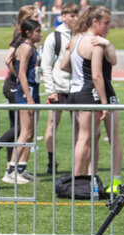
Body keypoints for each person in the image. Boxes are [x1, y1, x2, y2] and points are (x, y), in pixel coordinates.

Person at [63, 5, 122, 195]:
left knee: (88, 138)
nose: (108, 27)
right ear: (94, 21)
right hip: (92, 92)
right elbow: (97, 76)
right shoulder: (95, 43)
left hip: (75, 91)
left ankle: (88, 178)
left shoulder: (76, 39)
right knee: (93, 138)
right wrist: (104, 102)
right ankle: (82, 181)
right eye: (106, 23)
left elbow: (64, 66)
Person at [0, 6, 37, 185]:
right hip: (14, 86)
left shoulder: (29, 39)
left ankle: (17, 167)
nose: (38, 18)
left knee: (23, 128)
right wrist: (18, 75)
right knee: (21, 128)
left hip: (21, 85)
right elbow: (8, 59)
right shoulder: (20, 38)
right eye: (35, 16)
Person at [41, 1, 79, 175]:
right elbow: (46, 65)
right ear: (63, 16)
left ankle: (78, 162)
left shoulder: (81, 35)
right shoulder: (54, 37)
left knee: (79, 127)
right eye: (71, 15)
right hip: (58, 88)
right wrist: (50, 89)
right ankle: (50, 161)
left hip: (76, 89)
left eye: (77, 15)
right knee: (52, 125)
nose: (75, 18)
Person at [6, 19, 42, 184]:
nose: (40, 35)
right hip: (26, 94)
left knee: (31, 132)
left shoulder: (31, 47)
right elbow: (21, 74)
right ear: (28, 32)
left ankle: (21, 168)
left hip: (33, 91)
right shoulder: (25, 48)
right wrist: (28, 97)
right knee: (25, 132)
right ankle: (10, 171)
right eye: (38, 32)